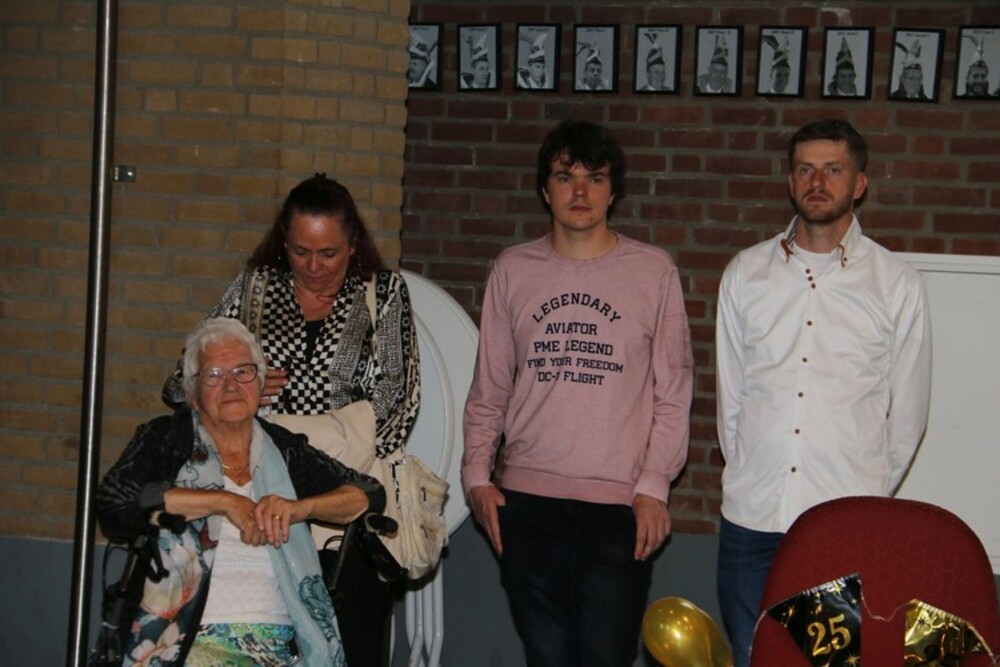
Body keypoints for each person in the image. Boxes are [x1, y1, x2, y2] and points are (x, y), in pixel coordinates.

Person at [162, 174, 420, 667]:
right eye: (301, 252)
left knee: (354, 642)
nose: (314, 267)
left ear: (353, 244)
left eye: (328, 253)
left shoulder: (384, 293)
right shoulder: (254, 288)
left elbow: (399, 402)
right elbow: (180, 384)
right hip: (260, 499)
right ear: (283, 242)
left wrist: (320, 460)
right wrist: (239, 388)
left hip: (348, 508)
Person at [462, 119, 694, 666]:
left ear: (614, 191)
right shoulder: (513, 269)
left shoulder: (653, 272)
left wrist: (655, 485)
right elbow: (490, 386)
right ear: (546, 191)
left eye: (595, 177)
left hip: (618, 507)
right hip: (527, 503)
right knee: (547, 657)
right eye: (566, 177)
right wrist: (476, 478)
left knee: (605, 658)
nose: (581, 191)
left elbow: (674, 390)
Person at [715, 118, 932, 667]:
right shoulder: (745, 273)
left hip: (841, 525)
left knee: (826, 664)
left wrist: (862, 496)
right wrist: (751, 472)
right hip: (752, 520)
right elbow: (731, 401)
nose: (817, 182)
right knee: (752, 659)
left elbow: (907, 419)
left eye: (833, 170)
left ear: (859, 183)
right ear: (790, 182)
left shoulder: (896, 283)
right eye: (805, 170)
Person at [99, 318, 386, 666]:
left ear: (260, 382)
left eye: (243, 372)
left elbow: (369, 492)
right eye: (214, 375)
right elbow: (115, 501)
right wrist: (224, 502)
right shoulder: (167, 440)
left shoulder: (284, 449)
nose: (231, 385)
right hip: (183, 643)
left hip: (281, 645)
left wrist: (299, 509)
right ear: (191, 393)